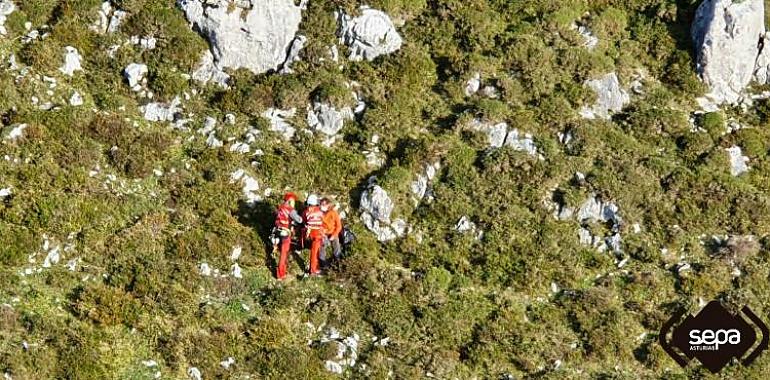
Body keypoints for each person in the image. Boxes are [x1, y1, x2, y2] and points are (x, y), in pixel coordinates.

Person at [274, 192, 303, 280]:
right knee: (284, 253)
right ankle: (280, 274)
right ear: (290, 201)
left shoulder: (280, 207)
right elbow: (299, 220)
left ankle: (283, 271)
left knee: (281, 252)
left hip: (278, 231)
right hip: (286, 233)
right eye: (293, 201)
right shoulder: (290, 210)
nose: (294, 203)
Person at [302, 194, 324, 276]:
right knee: (315, 252)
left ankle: (315, 268)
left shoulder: (306, 211)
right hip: (318, 234)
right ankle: (313, 270)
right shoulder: (320, 211)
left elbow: (304, 221)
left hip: (309, 234)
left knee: (315, 252)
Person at [320, 197, 342, 266]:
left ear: (328, 205)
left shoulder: (333, 213)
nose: (322, 206)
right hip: (323, 233)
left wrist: (334, 235)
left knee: (336, 247)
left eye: (323, 204)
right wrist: (321, 232)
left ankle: (338, 263)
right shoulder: (319, 212)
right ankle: (322, 263)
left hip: (332, 232)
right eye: (321, 204)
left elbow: (339, 226)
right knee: (322, 246)